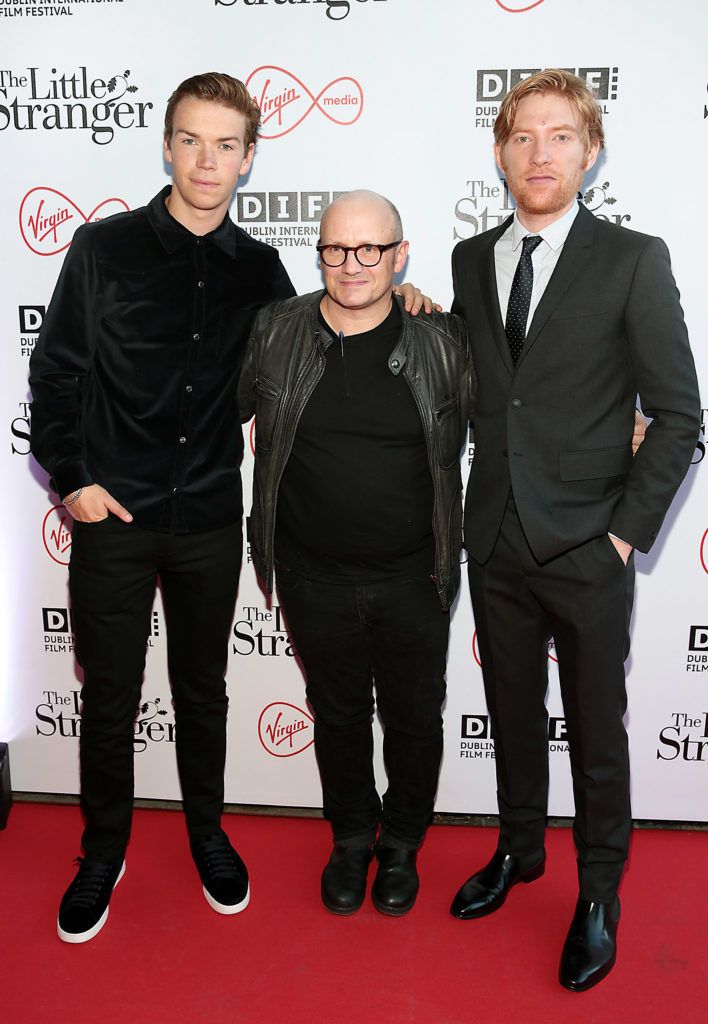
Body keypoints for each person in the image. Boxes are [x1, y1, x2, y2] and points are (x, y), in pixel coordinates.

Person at [28, 72, 299, 944]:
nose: (207, 160)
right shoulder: (102, 249)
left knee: (204, 692)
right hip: (114, 516)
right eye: (191, 140)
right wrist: (72, 481)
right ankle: (101, 853)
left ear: (249, 157)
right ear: (166, 145)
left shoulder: (261, 269)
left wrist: (407, 307)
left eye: (226, 145)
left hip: (212, 517)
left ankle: (208, 835)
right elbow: (56, 373)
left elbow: (311, 360)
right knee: (108, 695)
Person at [448, 70, 700, 991]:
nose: (540, 153)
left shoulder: (635, 258)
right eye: (523, 136)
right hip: (498, 539)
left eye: (560, 136)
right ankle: (520, 851)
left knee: (597, 729)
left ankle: (600, 892)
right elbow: (488, 389)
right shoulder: (470, 260)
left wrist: (626, 533)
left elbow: (679, 414)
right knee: (512, 713)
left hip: (591, 544)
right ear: (502, 151)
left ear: (590, 152)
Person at [238, 190, 474, 917]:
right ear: (321, 252)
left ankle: (401, 843)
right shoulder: (275, 329)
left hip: (416, 575)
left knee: (414, 718)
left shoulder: (443, 342)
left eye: (370, 249)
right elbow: (209, 411)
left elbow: (516, 417)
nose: (352, 264)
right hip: (312, 576)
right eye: (337, 248)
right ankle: (349, 838)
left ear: (400, 255)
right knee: (337, 715)